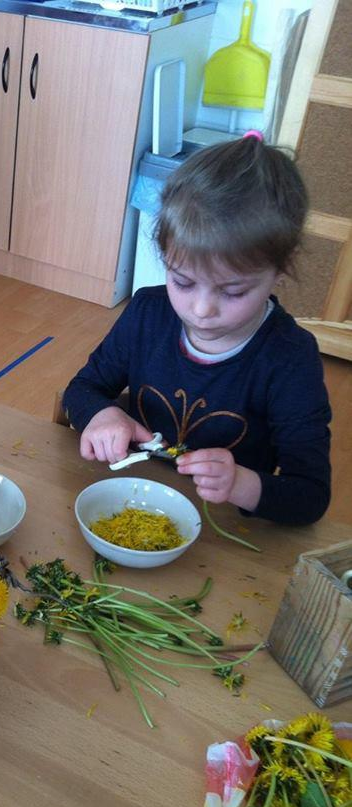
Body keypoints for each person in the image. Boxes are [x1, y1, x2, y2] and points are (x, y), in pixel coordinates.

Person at [63, 132, 331, 525]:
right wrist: (101, 415)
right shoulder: (148, 313)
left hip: (221, 525)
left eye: (233, 290)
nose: (201, 309)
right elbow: (82, 389)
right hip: (129, 497)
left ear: (279, 269)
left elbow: (310, 496)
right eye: (183, 282)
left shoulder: (290, 357)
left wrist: (239, 483)